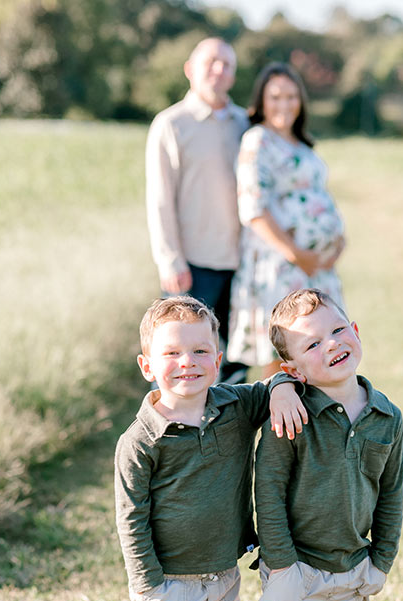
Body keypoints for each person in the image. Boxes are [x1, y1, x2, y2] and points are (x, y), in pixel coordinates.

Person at [115, 296, 307, 601]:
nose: (188, 363)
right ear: (147, 365)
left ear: (218, 359)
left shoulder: (234, 406)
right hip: (166, 581)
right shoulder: (140, 441)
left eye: (201, 351)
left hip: (222, 574)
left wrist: (283, 388)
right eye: (173, 354)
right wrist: (146, 585)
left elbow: (274, 382)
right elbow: (130, 518)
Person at [226, 289, 403, 601]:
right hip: (295, 566)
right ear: (295, 369)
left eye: (337, 330)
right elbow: (270, 490)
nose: (331, 345)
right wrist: (281, 565)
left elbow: (391, 492)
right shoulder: (293, 414)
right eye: (311, 344)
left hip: (352, 565)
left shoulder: (387, 417)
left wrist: (381, 560)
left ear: (357, 330)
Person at [227, 63, 346, 378]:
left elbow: (320, 194)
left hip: (316, 268)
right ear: (261, 101)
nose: (284, 104)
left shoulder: (302, 144)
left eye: (292, 96)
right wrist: (297, 254)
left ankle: (313, 426)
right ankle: (278, 424)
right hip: (281, 263)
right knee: (284, 357)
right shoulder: (258, 140)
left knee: (321, 352)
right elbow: (252, 208)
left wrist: (337, 241)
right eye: (275, 96)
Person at [146, 38, 249, 383]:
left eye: (227, 65)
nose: (219, 70)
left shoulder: (245, 123)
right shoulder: (171, 124)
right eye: (211, 62)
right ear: (190, 70)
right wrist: (169, 259)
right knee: (188, 363)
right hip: (193, 265)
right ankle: (188, 433)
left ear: (234, 75)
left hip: (243, 262)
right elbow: (160, 198)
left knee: (236, 361)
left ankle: (233, 433)